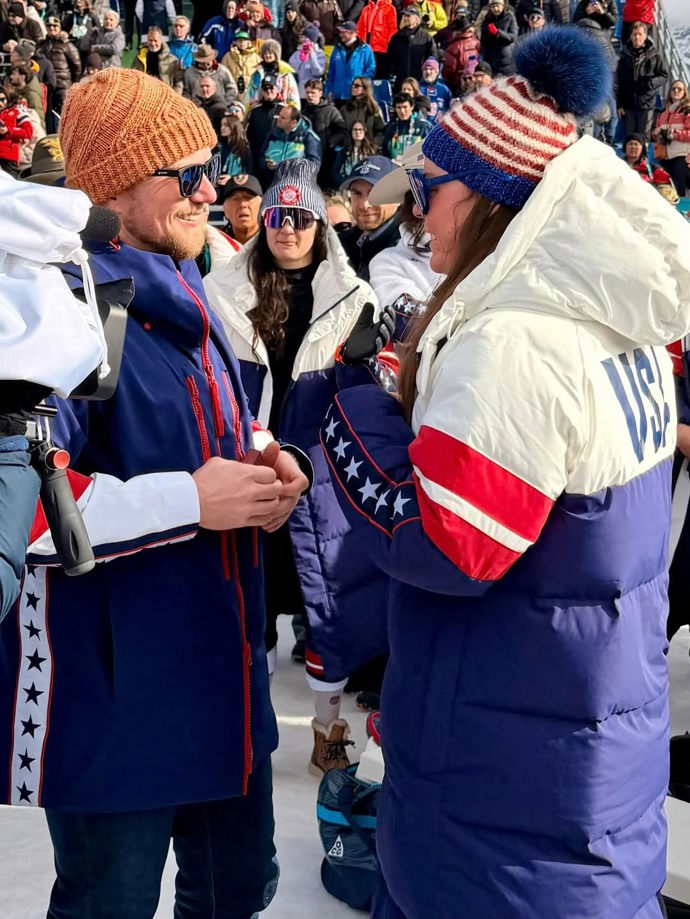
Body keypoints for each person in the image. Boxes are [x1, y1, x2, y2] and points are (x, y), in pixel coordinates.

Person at [321, 25, 690, 919]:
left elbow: (452, 545)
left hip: (498, 807)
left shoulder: (515, 338)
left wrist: (349, 407)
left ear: (489, 196)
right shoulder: (606, 317)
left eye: (434, 193)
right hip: (579, 778)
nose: (420, 215)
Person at [0, 66, 310, 918]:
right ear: (114, 186)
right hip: (115, 698)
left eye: (214, 167)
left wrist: (271, 462)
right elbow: (22, 502)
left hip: (219, 674)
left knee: (235, 892)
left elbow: (222, 430)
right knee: (110, 902)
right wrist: (192, 501)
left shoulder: (188, 290)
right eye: (188, 173)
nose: (212, 191)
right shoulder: (41, 306)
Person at [204, 158, 390, 775]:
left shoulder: (353, 297)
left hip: (320, 475)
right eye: (279, 217)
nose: (288, 230)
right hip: (247, 460)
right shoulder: (224, 291)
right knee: (245, 602)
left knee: (326, 605)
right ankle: (244, 720)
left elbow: (365, 395)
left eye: (301, 218)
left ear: (319, 226)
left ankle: (327, 727)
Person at [338, 155, 401, 280]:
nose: (365, 205)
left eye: (374, 193)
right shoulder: (341, 243)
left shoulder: (406, 247)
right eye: (357, 194)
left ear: (398, 198)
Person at [616, 21, 667, 142]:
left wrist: (650, 83)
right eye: (634, 34)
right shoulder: (624, 55)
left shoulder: (654, 55)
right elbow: (619, 81)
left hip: (646, 102)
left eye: (639, 34)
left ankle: (643, 160)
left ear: (645, 36)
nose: (637, 37)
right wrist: (620, 104)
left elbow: (664, 75)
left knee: (644, 138)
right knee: (630, 138)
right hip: (629, 103)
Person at [257, 101, 321, 187]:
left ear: (293, 122)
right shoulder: (272, 134)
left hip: (297, 186)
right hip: (272, 183)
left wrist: (287, 168)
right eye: (279, 115)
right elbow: (261, 155)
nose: (278, 119)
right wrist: (266, 165)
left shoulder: (308, 137)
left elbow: (314, 164)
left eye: (283, 118)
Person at [301, 77, 346, 184]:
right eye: (307, 92)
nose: (309, 95)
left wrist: (332, 142)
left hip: (327, 158)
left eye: (313, 92)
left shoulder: (331, 111)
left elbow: (343, 131)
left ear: (321, 93)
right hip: (306, 159)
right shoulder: (301, 113)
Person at [651, 80, 690, 198]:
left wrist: (673, 134)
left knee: (679, 185)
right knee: (666, 185)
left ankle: (682, 211)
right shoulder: (663, 112)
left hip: (681, 154)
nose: (676, 91)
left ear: (685, 92)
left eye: (679, 89)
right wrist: (656, 133)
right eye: (673, 89)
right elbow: (655, 133)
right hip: (664, 155)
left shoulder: (687, 110)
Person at [325, 21, 376, 108]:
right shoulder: (337, 49)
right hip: (338, 95)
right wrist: (328, 91)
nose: (340, 35)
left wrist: (360, 86)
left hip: (357, 96)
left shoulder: (365, 49)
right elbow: (331, 73)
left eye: (343, 32)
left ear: (352, 33)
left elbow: (370, 71)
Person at [387, 6, 437, 91]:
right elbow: (390, 58)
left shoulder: (426, 38)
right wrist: (395, 71)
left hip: (419, 82)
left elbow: (433, 59)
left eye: (408, 16)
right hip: (400, 82)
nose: (406, 18)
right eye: (405, 16)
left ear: (417, 19)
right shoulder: (396, 37)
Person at [247, 39, 301, 108]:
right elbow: (252, 90)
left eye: (270, 53)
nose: (267, 55)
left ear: (276, 54)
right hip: (260, 106)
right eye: (265, 53)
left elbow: (291, 92)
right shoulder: (258, 71)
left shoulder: (284, 71)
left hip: (280, 106)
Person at [382, 91, 432, 160]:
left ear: (412, 107)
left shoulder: (424, 126)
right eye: (399, 108)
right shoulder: (391, 128)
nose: (402, 111)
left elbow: (431, 150)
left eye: (405, 107)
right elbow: (385, 152)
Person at [131, 25, 183, 91]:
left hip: (164, 95)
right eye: (150, 40)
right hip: (143, 93)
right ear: (147, 40)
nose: (153, 43)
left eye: (155, 41)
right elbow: (132, 76)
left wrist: (174, 97)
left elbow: (179, 83)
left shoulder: (172, 60)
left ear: (161, 40)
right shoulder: (139, 57)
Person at [338, 75, 384, 147]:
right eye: (352, 85)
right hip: (349, 150)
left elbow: (380, 131)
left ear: (365, 89)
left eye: (356, 86)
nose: (353, 87)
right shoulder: (345, 109)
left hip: (370, 150)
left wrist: (373, 146)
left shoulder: (374, 109)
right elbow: (340, 130)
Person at [355, 0, 397, 79]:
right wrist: (360, 45)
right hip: (367, 46)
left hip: (382, 49)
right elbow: (359, 28)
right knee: (367, 74)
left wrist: (391, 47)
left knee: (381, 75)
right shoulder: (366, 9)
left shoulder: (389, 8)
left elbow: (392, 29)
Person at [440, 14, 480, 95]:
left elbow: (448, 70)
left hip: (458, 85)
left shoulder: (453, 47)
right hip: (473, 82)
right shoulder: (476, 42)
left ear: (457, 31)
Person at [332, 119, 379, 184]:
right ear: (351, 132)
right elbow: (335, 172)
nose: (357, 132)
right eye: (355, 130)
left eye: (360, 129)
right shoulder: (344, 151)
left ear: (365, 131)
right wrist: (345, 182)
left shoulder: (372, 150)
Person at [219, 172, 262, 242]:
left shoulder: (274, 243)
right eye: (235, 199)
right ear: (225, 209)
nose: (243, 204)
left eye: (249, 198)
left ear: (262, 206)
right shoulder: (215, 244)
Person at [0, 86, 34, 175]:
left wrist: (8, 131)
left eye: (2, 100)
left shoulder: (17, 111)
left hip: (8, 157)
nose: (0, 103)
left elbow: (28, 132)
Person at [479, 0, 518, 76]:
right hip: (491, 58)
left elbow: (512, 37)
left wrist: (498, 33)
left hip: (506, 58)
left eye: (498, 6)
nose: (496, 9)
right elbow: (483, 41)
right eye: (493, 6)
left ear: (503, 6)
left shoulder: (510, 18)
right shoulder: (487, 20)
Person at [288, 25, 326, 98]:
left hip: (314, 90)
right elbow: (292, 70)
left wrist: (312, 55)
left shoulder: (319, 54)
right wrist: (302, 56)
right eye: (304, 37)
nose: (305, 40)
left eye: (307, 38)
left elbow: (318, 72)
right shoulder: (297, 53)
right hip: (301, 91)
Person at [62, 0, 98, 67]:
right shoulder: (71, 16)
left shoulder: (92, 16)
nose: (78, 0)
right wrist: (69, 32)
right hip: (73, 48)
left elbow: (98, 30)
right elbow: (64, 31)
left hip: (87, 48)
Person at [418, 57, 452, 123]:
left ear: (436, 72)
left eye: (431, 69)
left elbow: (449, 109)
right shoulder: (417, 87)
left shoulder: (444, 89)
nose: (428, 72)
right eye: (425, 69)